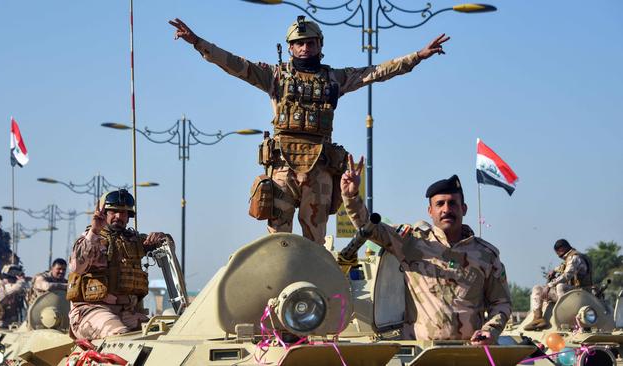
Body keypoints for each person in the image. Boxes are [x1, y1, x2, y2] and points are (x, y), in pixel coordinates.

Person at [169, 16, 449, 245]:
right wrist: (197, 42)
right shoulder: (275, 75)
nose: (305, 48)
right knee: (278, 240)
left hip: (320, 170)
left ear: (320, 46)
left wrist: (417, 56)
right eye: (299, 43)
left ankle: (316, 294)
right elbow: (233, 63)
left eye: (310, 43)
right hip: (282, 169)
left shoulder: (335, 78)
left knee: (315, 242)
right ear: (290, 48)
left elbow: (376, 71)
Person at [341, 155, 511, 344]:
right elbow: (368, 227)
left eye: (452, 203)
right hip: (423, 353)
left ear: (464, 208)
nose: (446, 209)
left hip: (471, 352)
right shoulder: (410, 242)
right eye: (439, 204)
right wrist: (352, 196)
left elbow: (501, 302)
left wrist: (490, 330)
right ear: (430, 211)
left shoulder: (486, 254)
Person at [67, 189, 171, 339]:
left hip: (127, 312)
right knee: (121, 337)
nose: (119, 216)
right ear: (103, 213)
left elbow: (167, 248)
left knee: (162, 336)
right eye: (113, 211)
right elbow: (76, 267)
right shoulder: (90, 239)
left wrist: (162, 238)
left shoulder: (135, 241)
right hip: (91, 312)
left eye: (124, 213)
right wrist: (95, 230)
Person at [523, 239, 591, 331]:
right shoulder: (569, 258)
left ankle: (564, 317)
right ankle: (538, 319)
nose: (559, 256)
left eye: (558, 254)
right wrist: (554, 270)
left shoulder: (574, 258)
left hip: (580, 294)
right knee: (537, 288)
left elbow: (567, 275)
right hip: (570, 293)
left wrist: (549, 285)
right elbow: (563, 267)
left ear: (561, 249)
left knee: (560, 286)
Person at [0, 264, 29, 329]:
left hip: (10, 324)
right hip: (0, 326)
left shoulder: (7, 285)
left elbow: (25, 290)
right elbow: (18, 287)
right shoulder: (2, 286)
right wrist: (21, 280)